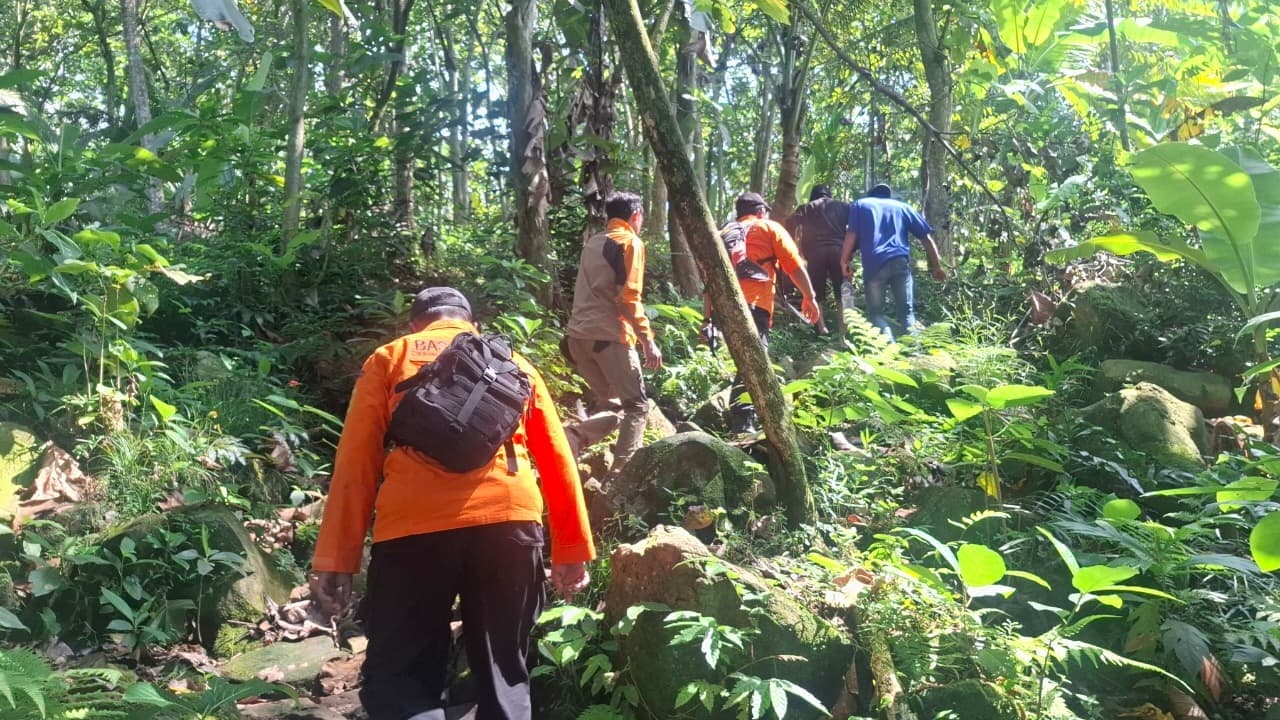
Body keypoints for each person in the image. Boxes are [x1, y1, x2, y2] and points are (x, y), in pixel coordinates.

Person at [309, 287, 596, 720]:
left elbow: (355, 465)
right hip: (509, 525)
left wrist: (337, 560)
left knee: (401, 677)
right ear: (472, 325)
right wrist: (572, 549)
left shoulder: (390, 358)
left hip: (412, 531)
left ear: (415, 324)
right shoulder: (514, 363)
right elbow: (558, 459)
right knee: (504, 673)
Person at [564, 191, 662, 483]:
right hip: (608, 337)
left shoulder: (593, 242)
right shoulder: (629, 241)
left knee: (616, 404)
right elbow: (627, 298)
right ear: (635, 216)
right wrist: (647, 339)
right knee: (637, 406)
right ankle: (621, 478)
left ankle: (573, 436)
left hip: (577, 339)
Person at [718, 192, 821, 433]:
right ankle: (743, 422)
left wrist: (707, 318)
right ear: (761, 211)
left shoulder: (723, 234)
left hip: (723, 306)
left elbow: (708, 279)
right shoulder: (768, 227)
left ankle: (743, 417)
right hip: (754, 305)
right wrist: (810, 297)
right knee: (754, 362)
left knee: (746, 361)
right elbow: (794, 265)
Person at [841, 184, 947, 340]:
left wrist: (844, 261)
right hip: (900, 262)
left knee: (876, 314)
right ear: (888, 196)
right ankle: (915, 351)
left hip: (874, 265)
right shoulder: (903, 207)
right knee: (907, 313)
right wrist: (937, 267)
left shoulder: (861, 205)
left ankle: (889, 348)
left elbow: (851, 235)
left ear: (870, 195)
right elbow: (926, 238)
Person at [784, 184, 850, 335]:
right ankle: (845, 329)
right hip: (838, 251)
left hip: (815, 253)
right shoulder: (843, 207)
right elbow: (855, 227)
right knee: (844, 291)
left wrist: (796, 247)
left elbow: (789, 223)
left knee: (816, 292)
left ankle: (822, 328)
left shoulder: (806, 208)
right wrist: (851, 251)